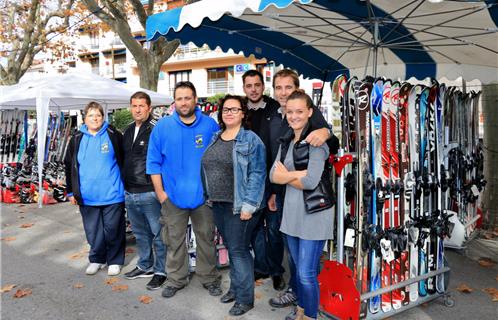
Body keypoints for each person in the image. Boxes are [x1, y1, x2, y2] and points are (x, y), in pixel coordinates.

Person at [266, 69, 339, 310]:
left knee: (306, 272)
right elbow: (274, 173)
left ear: (309, 111)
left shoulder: (315, 132)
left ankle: (309, 311)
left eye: (288, 87)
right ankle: (302, 308)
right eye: (279, 87)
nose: (283, 92)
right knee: (298, 267)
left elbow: (311, 180)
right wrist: (291, 177)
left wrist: (326, 131)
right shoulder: (283, 132)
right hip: (291, 206)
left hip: (312, 208)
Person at [147, 81, 222, 299]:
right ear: (174, 101)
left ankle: (209, 277)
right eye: (179, 98)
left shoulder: (210, 126)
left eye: (188, 97)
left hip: (203, 198)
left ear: (195, 99)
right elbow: (153, 163)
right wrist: (161, 194)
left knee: (206, 239)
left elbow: (217, 161)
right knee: (174, 240)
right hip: (172, 197)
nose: (184, 102)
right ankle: (175, 279)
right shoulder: (162, 127)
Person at [201, 94, 266, 316]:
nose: (229, 113)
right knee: (232, 248)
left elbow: (258, 174)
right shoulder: (216, 137)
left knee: (239, 251)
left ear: (243, 113)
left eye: (234, 109)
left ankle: (245, 299)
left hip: (241, 206)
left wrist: (249, 205)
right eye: (226, 109)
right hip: (219, 204)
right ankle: (236, 288)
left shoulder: (251, 140)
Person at [64, 101, 125, 276]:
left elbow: (124, 160)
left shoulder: (113, 134)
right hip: (87, 195)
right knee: (93, 231)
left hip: (112, 193)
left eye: (98, 115)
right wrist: (70, 191)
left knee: (113, 230)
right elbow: (69, 166)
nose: (95, 118)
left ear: (103, 117)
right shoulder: (76, 138)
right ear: (85, 118)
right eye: (91, 115)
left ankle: (115, 260)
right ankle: (97, 259)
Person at [242, 70, 284, 289]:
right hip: (250, 182)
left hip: (272, 179)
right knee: (255, 228)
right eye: (249, 85)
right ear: (244, 88)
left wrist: (276, 188)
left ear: (263, 86)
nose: (254, 89)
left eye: (257, 85)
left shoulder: (275, 109)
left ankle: (277, 270)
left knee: (275, 229)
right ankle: (262, 266)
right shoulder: (239, 110)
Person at [122, 91, 167, 290]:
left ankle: (161, 271)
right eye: (134, 105)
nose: (137, 109)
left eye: (141, 105)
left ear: (149, 108)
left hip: (150, 191)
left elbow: (164, 160)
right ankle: (145, 265)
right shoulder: (128, 130)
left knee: (158, 234)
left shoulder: (157, 129)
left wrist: (161, 190)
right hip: (130, 192)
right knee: (140, 234)